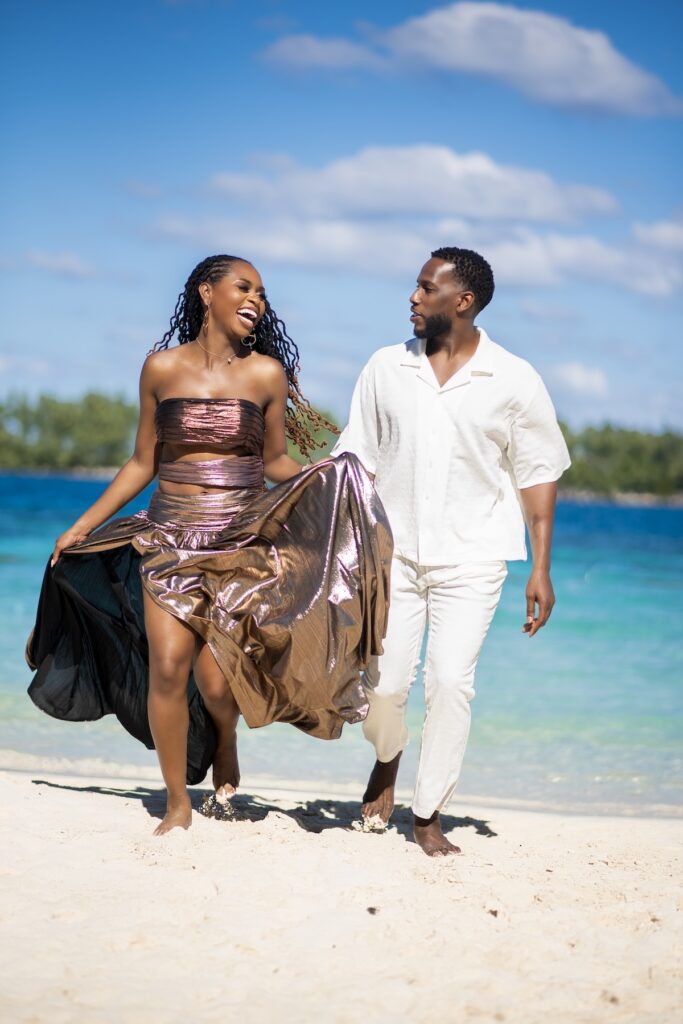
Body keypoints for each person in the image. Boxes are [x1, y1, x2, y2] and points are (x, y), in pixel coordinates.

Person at [27, 254, 392, 835]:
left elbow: (272, 461)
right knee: (168, 669)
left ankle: (224, 740)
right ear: (206, 292)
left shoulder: (264, 375)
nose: (257, 301)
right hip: (167, 538)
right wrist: (83, 524)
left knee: (216, 681)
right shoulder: (160, 369)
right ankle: (177, 803)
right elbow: (144, 460)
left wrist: (326, 482)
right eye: (244, 287)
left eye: (263, 294)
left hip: (241, 544)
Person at [331, 247, 571, 857]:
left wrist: (540, 568)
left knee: (450, 682)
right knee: (383, 688)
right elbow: (353, 458)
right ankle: (387, 760)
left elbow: (538, 474)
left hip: (475, 556)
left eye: (424, 287)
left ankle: (428, 810)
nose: (412, 297)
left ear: (461, 302)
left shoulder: (513, 378)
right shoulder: (387, 367)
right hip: (394, 554)